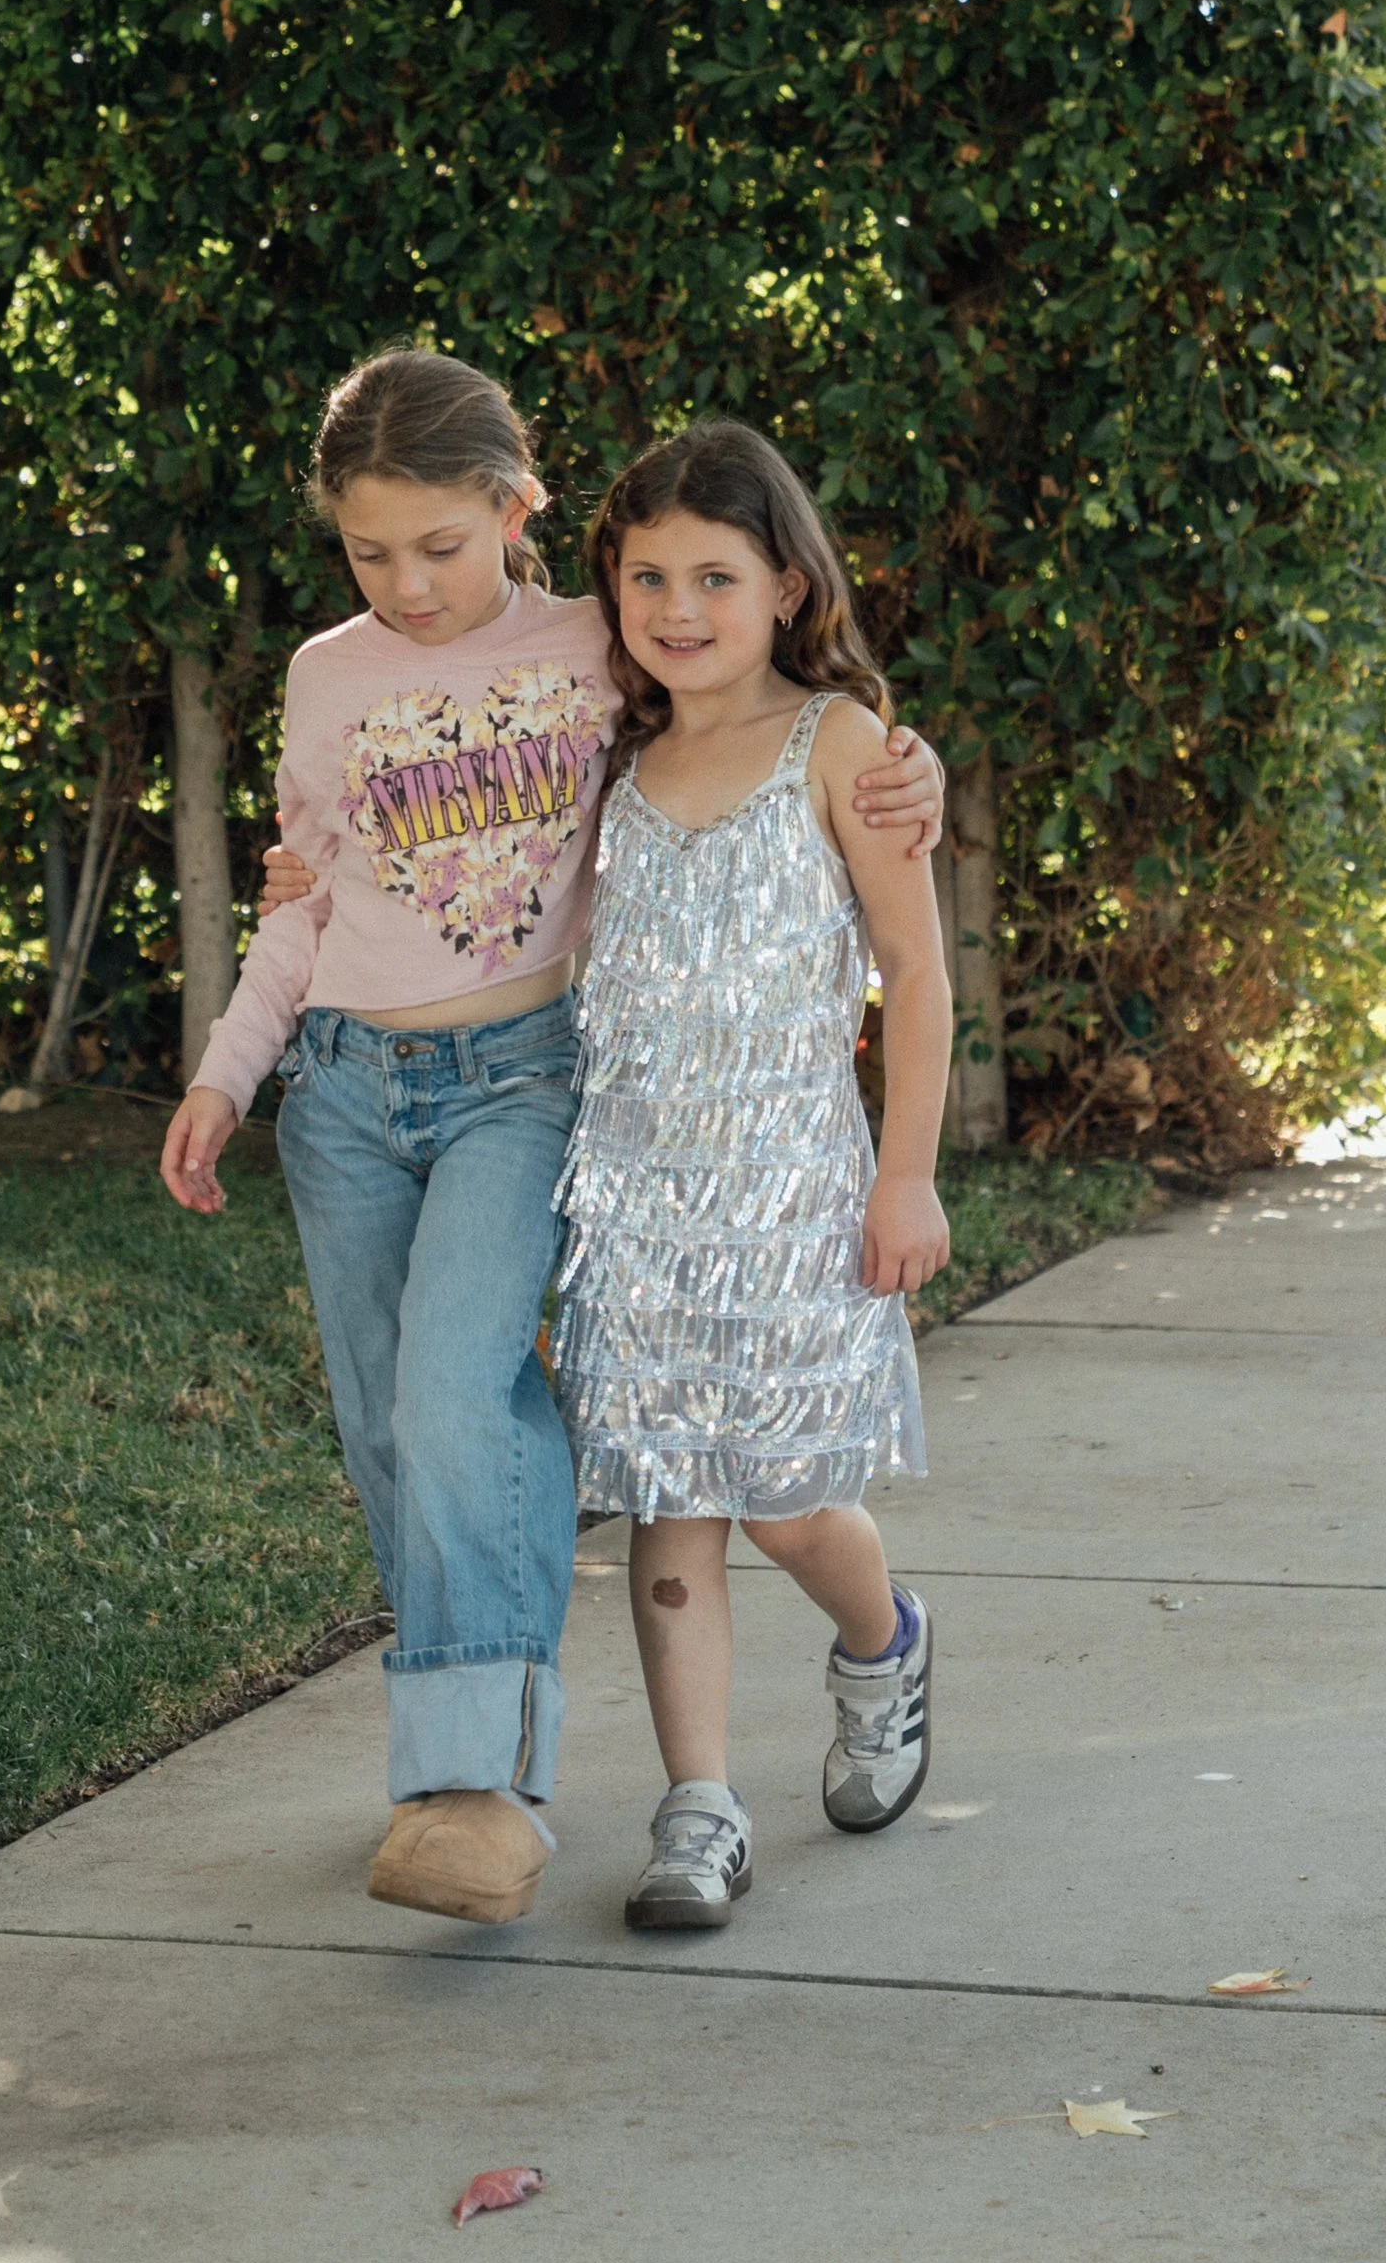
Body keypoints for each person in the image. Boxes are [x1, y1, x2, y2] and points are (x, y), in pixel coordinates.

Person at [158, 349, 945, 1930]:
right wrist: (228, 1070)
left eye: (441, 545)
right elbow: (306, 900)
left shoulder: (607, 655)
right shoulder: (356, 683)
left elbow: (830, 808)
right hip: (428, 1119)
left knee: (525, 1419)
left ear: (514, 512)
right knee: (436, 1446)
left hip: (573, 1101)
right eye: (370, 553)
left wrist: (899, 755)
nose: (409, 582)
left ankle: (525, 1773)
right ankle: (561, 1786)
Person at [549, 419, 953, 1933]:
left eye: (714, 574)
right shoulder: (608, 754)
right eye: (645, 574)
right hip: (638, 1207)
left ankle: (884, 1643)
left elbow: (913, 974)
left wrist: (902, 1177)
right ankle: (699, 1808)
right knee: (668, 1507)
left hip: (794, 1200)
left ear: (788, 585)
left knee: (789, 1506)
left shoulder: (843, 751)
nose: (676, 607)